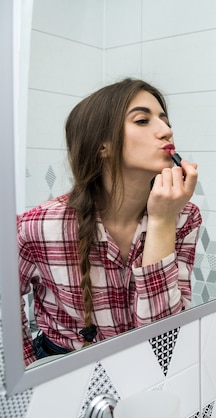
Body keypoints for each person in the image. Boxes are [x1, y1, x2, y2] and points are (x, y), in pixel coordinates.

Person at [18, 78, 202, 366]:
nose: (167, 130)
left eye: (164, 120)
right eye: (142, 120)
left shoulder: (183, 216)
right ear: (102, 146)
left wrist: (162, 222)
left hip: (148, 366)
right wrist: (27, 371)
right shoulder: (38, 225)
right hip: (61, 369)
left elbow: (164, 342)